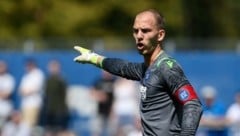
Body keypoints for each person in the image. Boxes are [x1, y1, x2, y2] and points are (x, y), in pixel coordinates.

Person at [73, 9, 203, 136]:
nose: (139, 36)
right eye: (136, 31)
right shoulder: (147, 69)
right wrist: (93, 58)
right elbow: (122, 67)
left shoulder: (167, 67)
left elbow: (193, 104)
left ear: (160, 35)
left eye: (145, 31)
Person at [41, 59, 69, 135]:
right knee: (48, 130)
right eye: (51, 67)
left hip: (59, 110)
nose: (53, 69)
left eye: (55, 67)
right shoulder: (47, 80)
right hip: (49, 110)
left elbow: (65, 95)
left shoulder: (61, 80)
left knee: (59, 130)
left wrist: (63, 110)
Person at [18, 58, 45, 128]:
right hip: (25, 104)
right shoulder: (26, 76)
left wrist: (26, 92)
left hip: (33, 104)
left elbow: (36, 88)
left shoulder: (38, 74)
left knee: (30, 126)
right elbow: (20, 90)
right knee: (24, 125)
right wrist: (25, 92)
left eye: (28, 65)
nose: (26, 67)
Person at [90, 70, 115, 136]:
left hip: (111, 111)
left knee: (111, 132)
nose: (106, 72)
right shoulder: (99, 81)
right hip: (99, 110)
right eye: (104, 71)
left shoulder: (114, 81)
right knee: (96, 131)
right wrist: (100, 95)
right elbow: (91, 92)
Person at [0, 60, 15, 130]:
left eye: (2, 66)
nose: (1, 68)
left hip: (5, 110)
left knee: (5, 129)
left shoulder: (9, 78)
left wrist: (3, 93)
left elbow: (7, 94)